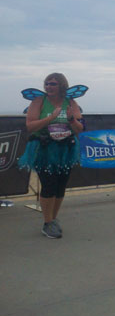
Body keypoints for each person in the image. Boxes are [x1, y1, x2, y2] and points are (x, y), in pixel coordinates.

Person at [18, 73, 84, 238]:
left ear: (62, 86)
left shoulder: (70, 102)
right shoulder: (39, 101)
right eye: (46, 83)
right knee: (49, 185)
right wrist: (51, 118)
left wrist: (71, 119)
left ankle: (53, 219)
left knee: (60, 186)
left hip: (65, 149)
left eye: (53, 84)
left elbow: (80, 129)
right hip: (44, 149)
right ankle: (47, 223)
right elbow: (30, 126)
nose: (48, 87)